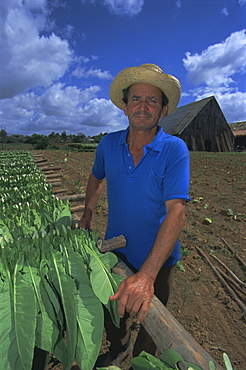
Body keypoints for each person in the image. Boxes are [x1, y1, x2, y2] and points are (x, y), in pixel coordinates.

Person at [76, 63, 190, 365]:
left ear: (163, 109)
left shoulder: (174, 150)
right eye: (136, 99)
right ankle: (120, 348)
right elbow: (95, 177)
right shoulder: (108, 144)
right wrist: (87, 214)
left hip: (160, 259)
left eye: (152, 100)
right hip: (117, 252)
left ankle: (140, 360)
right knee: (115, 313)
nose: (143, 106)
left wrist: (147, 275)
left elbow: (176, 211)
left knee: (152, 318)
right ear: (125, 106)